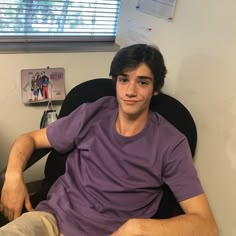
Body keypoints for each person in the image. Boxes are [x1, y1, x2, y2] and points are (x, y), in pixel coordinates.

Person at [0, 44, 218, 236]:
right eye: (124, 80)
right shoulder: (92, 113)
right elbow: (28, 139)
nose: (130, 91)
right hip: (50, 220)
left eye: (142, 82)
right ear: (115, 82)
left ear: (156, 88)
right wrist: (13, 176)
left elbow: (206, 226)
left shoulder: (170, 143)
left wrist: (140, 228)